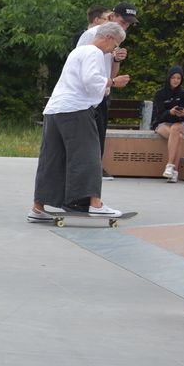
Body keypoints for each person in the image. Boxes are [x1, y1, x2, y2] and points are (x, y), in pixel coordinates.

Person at [28, 22, 130, 221]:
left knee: (52, 159)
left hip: (54, 110)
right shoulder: (94, 53)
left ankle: (38, 207)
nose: (114, 50)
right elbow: (91, 81)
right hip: (76, 109)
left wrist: (104, 85)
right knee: (90, 155)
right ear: (108, 37)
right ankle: (95, 204)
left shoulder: (77, 51)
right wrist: (113, 82)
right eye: (115, 44)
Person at [76, 2, 137, 180]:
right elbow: (82, 65)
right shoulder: (94, 36)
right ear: (112, 17)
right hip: (86, 95)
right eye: (122, 21)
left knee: (99, 133)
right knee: (87, 135)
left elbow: (111, 72)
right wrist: (111, 81)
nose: (124, 26)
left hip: (102, 94)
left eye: (128, 24)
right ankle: (85, 170)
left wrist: (116, 60)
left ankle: (96, 167)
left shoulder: (115, 39)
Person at [151, 65, 184, 183]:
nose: (176, 80)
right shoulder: (160, 94)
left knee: (176, 129)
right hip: (163, 123)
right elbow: (159, 115)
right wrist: (170, 112)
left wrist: (181, 113)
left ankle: (169, 165)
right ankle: (175, 172)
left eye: (178, 78)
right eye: (173, 78)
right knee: (179, 137)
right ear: (169, 78)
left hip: (178, 123)